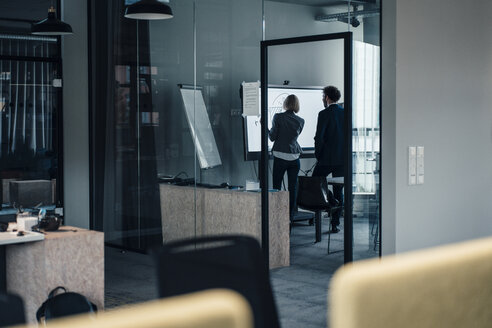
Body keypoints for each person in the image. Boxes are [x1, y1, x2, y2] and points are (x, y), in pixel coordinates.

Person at [313, 86, 344, 233]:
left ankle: (332, 203)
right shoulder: (345, 113)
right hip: (342, 159)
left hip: (326, 158)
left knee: (315, 182)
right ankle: (335, 223)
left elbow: (319, 137)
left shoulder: (323, 114)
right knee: (339, 190)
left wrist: (318, 155)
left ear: (326, 97)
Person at [269, 94, 305, 220]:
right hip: (295, 157)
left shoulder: (278, 117)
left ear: (285, 103)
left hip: (280, 156)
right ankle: (290, 216)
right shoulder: (301, 121)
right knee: (293, 188)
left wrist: (264, 127)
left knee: (276, 187)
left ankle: (276, 215)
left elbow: (272, 137)